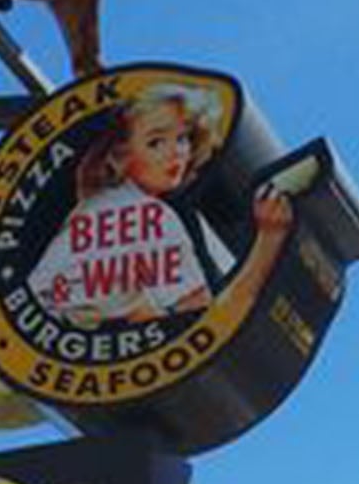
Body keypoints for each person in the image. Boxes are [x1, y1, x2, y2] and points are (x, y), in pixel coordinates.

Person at [28, 83, 293, 326]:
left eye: (182, 139)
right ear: (121, 156)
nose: (177, 151)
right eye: (156, 142)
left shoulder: (97, 209)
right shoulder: (146, 215)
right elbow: (211, 321)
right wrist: (270, 237)